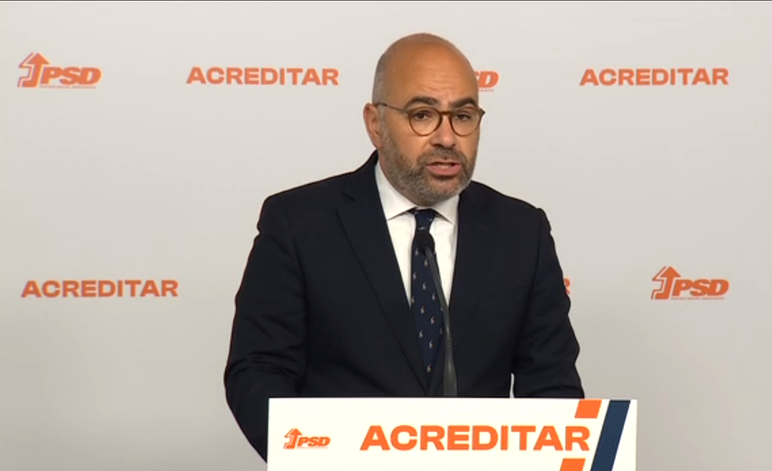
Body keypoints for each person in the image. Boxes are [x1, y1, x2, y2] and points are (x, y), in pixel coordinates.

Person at [223, 32, 584, 461]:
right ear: (375, 123)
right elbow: (259, 372)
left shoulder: (521, 232)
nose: (447, 138)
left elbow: (552, 386)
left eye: (463, 116)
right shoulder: (299, 223)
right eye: (422, 115)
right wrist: (322, 458)